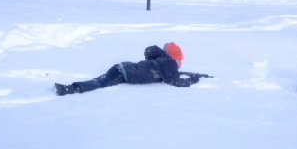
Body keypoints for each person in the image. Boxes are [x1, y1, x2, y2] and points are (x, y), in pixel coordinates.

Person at [54, 42, 212, 96]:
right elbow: (174, 80)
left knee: (100, 80)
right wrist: (193, 81)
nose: (179, 66)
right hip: (126, 73)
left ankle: (71, 88)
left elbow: (173, 73)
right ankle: (70, 90)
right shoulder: (168, 65)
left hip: (123, 68)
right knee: (101, 83)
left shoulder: (163, 62)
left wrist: (195, 74)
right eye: (179, 62)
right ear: (173, 59)